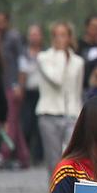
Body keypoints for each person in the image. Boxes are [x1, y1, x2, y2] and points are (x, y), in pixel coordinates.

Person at [36, 22, 85, 171]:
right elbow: (56, 78)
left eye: (63, 35)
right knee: (54, 161)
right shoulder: (43, 57)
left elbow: (78, 90)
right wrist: (61, 56)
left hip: (72, 114)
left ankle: (70, 192)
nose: (59, 39)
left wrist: (80, 115)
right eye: (56, 35)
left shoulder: (78, 61)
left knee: (72, 158)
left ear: (70, 37)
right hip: (49, 114)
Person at [0, 10, 30, 168]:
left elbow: (22, 60)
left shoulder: (13, 37)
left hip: (12, 85)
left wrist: (20, 84)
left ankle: (3, 154)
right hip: (2, 85)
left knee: (10, 120)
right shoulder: (0, 38)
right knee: (15, 123)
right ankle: (24, 157)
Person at [18, 24, 43, 164]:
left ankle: (38, 156)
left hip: (43, 93)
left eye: (36, 34)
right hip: (28, 92)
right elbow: (22, 73)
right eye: (31, 34)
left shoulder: (46, 53)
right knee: (27, 124)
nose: (34, 37)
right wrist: (20, 89)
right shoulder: (24, 53)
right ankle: (25, 155)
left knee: (40, 125)